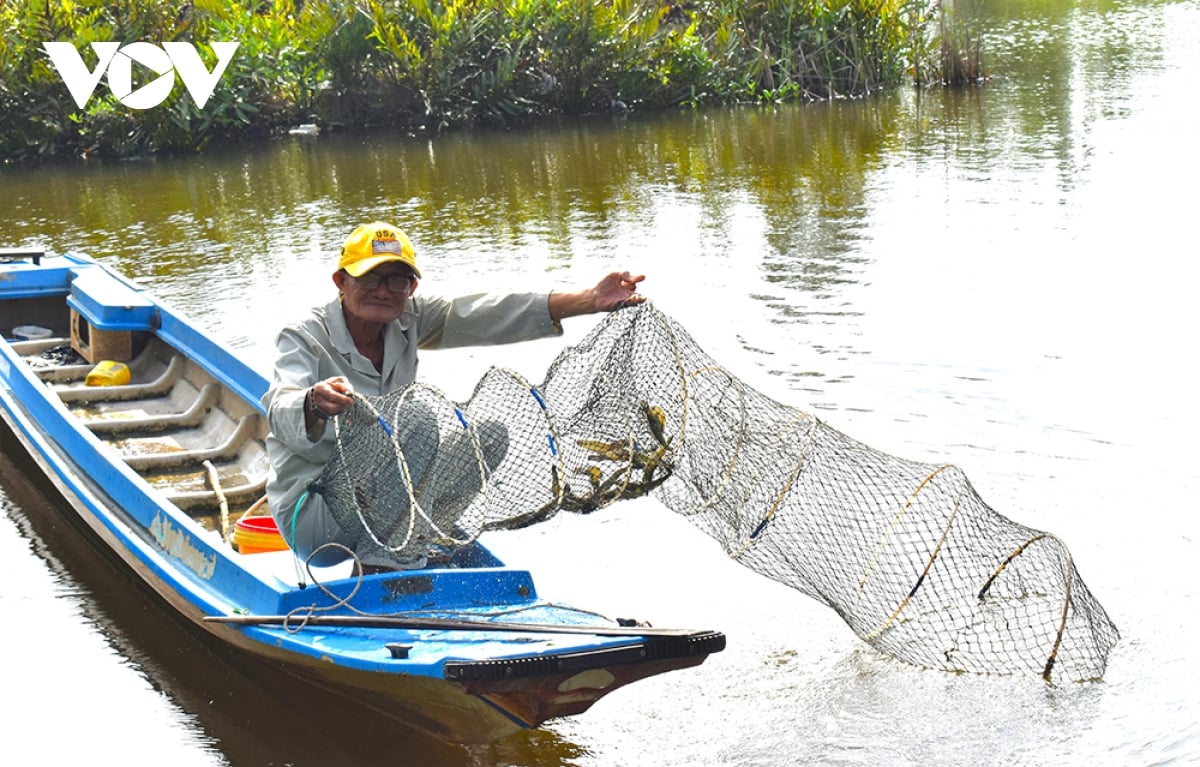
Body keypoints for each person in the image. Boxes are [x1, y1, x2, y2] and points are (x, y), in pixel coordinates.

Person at [262, 221, 645, 570]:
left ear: (411, 288)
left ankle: (414, 543)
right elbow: (279, 410)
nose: (382, 291)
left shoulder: (407, 318)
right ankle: (382, 567)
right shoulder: (303, 336)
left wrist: (589, 299)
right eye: (368, 278)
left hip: (380, 501)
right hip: (319, 516)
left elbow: (486, 314)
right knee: (416, 421)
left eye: (396, 280)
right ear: (341, 281)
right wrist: (313, 401)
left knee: (489, 438)